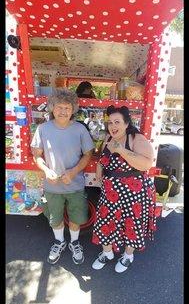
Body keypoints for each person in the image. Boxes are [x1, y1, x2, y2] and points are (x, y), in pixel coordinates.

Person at [31, 88, 94, 265]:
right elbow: (37, 155)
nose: (63, 111)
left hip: (75, 185)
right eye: (59, 107)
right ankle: (59, 241)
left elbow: (88, 155)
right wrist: (46, 170)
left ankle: (74, 242)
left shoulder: (80, 129)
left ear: (73, 109)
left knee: (76, 217)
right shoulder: (43, 129)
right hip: (52, 186)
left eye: (67, 107)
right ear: (52, 108)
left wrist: (73, 172)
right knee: (55, 218)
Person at [92, 105, 156, 273]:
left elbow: (146, 164)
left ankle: (128, 256)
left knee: (131, 225)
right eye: (110, 122)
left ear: (127, 123)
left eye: (117, 122)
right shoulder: (108, 138)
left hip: (133, 195)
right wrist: (99, 167)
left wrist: (121, 150)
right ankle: (107, 253)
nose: (113, 126)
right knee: (104, 222)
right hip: (110, 193)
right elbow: (103, 157)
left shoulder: (136, 138)